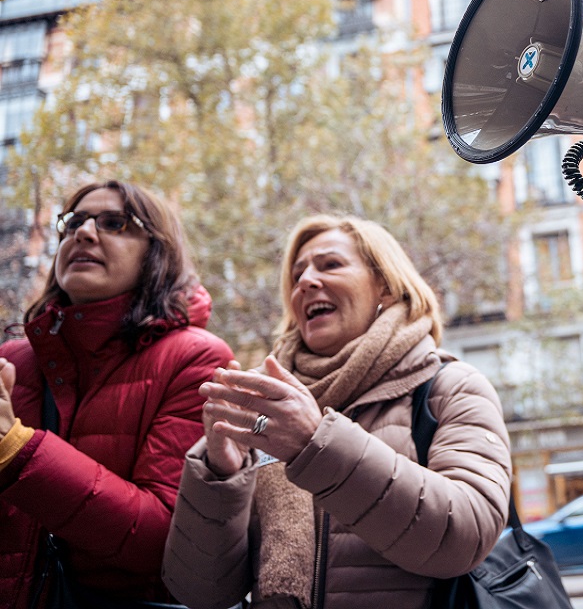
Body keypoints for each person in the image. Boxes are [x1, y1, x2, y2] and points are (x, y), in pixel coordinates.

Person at [163, 214, 512, 609]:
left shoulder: (450, 386)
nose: (306, 282)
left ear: (386, 286)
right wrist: (220, 475)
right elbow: (198, 592)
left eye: (330, 265)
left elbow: (464, 538)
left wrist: (315, 443)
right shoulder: (264, 406)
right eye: (297, 276)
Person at [0, 180, 235, 608]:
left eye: (114, 223)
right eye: (72, 223)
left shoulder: (195, 360)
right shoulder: (12, 361)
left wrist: (17, 450)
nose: (83, 233)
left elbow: (161, 542)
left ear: (156, 253)